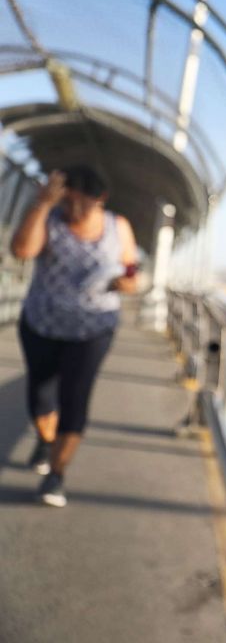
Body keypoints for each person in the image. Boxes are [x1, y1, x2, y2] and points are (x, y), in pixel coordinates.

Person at [10, 165, 138, 507]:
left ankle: (56, 475)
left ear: (101, 200)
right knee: (41, 396)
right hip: (42, 324)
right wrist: (41, 205)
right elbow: (22, 250)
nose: (73, 212)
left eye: (82, 204)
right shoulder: (50, 218)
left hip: (93, 329)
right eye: (68, 203)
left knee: (75, 398)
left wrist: (124, 281)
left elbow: (131, 271)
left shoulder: (118, 226)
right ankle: (45, 440)